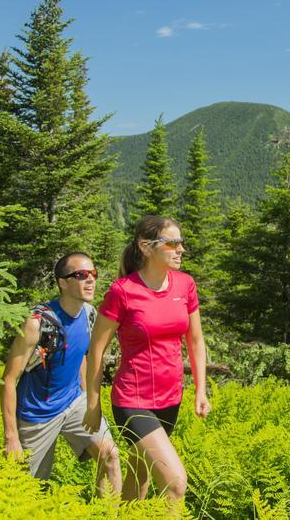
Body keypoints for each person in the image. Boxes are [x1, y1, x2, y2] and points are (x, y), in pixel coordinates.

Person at [83, 215, 211, 505]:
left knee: (139, 472)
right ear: (146, 247)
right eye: (173, 243)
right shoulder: (123, 292)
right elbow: (96, 350)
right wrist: (93, 405)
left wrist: (200, 390)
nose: (181, 249)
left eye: (182, 242)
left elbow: (195, 340)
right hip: (133, 400)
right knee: (176, 483)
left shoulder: (185, 285)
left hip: (170, 399)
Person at [1, 251, 121, 496]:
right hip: (37, 415)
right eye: (81, 275)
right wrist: (11, 437)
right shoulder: (37, 323)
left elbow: (80, 357)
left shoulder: (89, 314)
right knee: (31, 491)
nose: (91, 280)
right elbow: (8, 381)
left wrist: (90, 402)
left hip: (73, 402)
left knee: (110, 457)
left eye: (93, 274)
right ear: (63, 283)